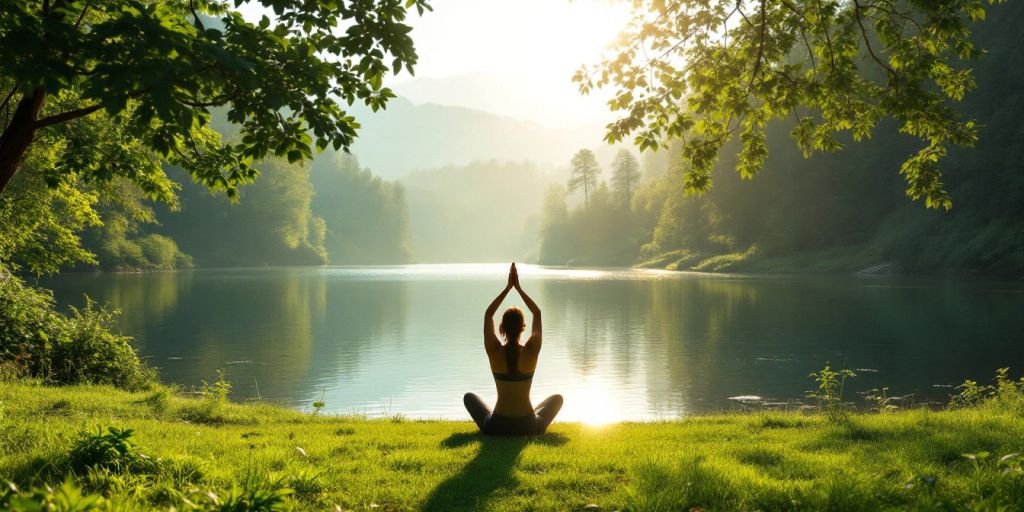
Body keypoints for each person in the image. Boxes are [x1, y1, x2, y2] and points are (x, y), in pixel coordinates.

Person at [464, 263, 563, 435]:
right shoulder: (531, 350)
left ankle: (498, 420)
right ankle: (533, 418)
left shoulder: (494, 351)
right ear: (523, 327)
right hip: (529, 426)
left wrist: (507, 288)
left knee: (469, 398)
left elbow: (488, 314)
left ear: (501, 328)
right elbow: (537, 313)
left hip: (497, 426)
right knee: (557, 399)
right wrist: (518, 288)